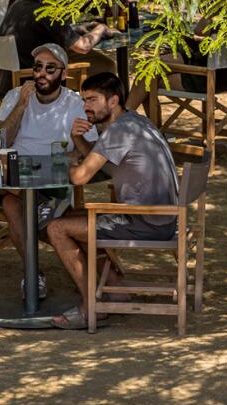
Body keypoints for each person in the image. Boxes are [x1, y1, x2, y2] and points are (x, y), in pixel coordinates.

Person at [41, 72, 179, 324]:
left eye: (93, 100)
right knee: (71, 217)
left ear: (113, 101)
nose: (86, 107)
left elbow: (80, 176)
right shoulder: (134, 121)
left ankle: (92, 306)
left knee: (57, 228)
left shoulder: (118, 131)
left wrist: (63, 164)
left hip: (145, 222)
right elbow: (103, 163)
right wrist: (77, 139)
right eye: (84, 100)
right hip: (162, 217)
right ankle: (114, 287)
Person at [0, 43, 87, 255]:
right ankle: (43, 207)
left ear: (63, 74)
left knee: (9, 202)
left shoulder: (74, 103)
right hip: (15, 175)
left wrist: (70, 156)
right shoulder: (16, 96)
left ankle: (32, 276)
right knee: (6, 190)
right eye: (38, 67)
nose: (42, 73)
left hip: (51, 178)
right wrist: (21, 105)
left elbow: (86, 149)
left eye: (50, 68)